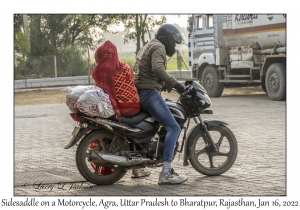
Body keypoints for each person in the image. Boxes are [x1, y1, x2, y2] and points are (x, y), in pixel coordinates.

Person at [134, 24, 188, 184]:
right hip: (149, 94)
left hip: (143, 92)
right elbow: (157, 68)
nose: (175, 45)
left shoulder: (149, 45)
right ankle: (165, 173)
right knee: (174, 127)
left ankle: (137, 168)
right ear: (166, 38)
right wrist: (175, 83)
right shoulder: (159, 47)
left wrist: (163, 84)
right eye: (174, 41)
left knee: (155, 125)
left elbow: (147, 72)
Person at [92, 40, 150, 178]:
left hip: (120, 108)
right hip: (133, 107)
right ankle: (137, 168)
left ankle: (136, 167)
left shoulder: (102, 69)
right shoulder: (125, 66)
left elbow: (102, 93)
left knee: (128, 131)